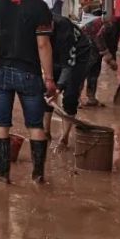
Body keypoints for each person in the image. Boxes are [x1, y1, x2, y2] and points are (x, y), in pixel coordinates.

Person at [0, 0, 56, 183]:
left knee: (1, 124)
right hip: (29, 73)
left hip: (0, 71)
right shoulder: (40, 6)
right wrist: (50, 78)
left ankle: (2, 176)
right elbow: (43, 44)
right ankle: (38, 176)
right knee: (35, 125)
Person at [47, 16, 91, 151]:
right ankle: (45, 132)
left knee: (70, 95)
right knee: (46, 91)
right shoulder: (36, 28)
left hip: (78, 56)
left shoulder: (64, 30)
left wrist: (58, 88)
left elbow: (69, 65)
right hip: (55, 54)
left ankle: (64, 138)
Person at [80, 9, 120, 106]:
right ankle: (75, 98)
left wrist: (113, 61)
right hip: (86, 43)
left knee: (95, 72)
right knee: (84, 71)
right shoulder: (112, 23)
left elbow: (113, 44)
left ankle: (91, 98)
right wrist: (107, 55)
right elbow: (99, 37)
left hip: (97, 46)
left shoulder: (119, 26)